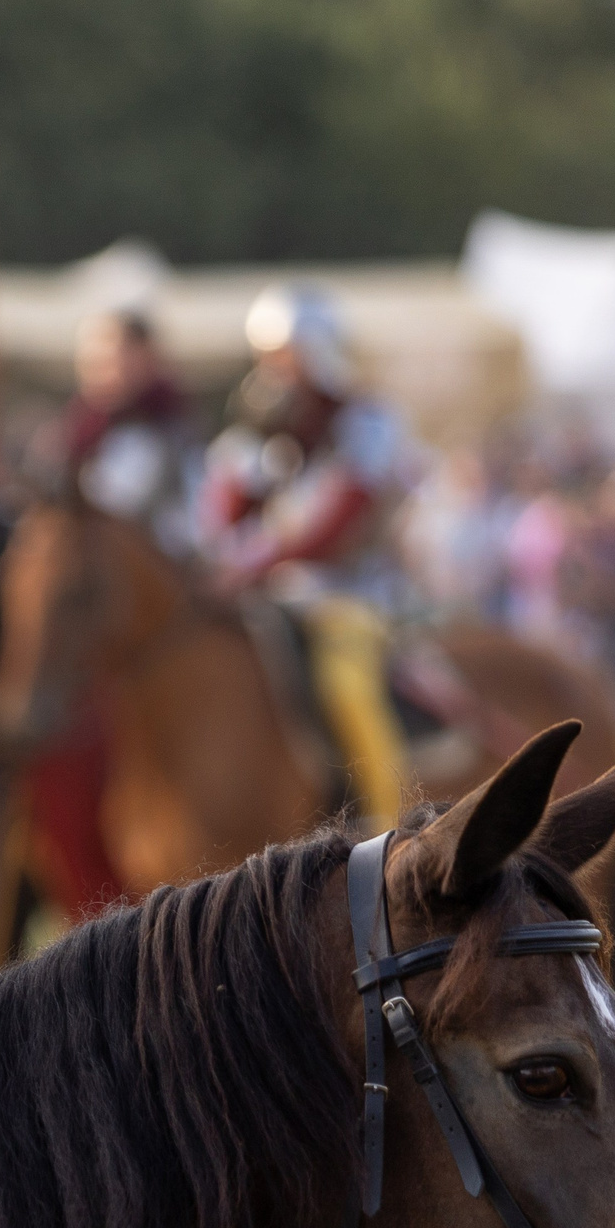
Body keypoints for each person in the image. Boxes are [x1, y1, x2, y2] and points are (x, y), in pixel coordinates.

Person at [198, 284, 419, 828]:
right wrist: (249, 451)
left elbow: (337, 526)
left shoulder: (366, 424)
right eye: (268, 357)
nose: (275, 370)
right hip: (269, 600)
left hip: (351, 597)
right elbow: (226, 517)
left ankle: (391, 824)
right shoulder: (271, 432)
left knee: (348, 690)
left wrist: (250, 567)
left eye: (285, 355)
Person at [40, 310, 191, 550]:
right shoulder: (77, 429)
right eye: (92, 360)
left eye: (110, 360)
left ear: (145, 359)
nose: (99, 371)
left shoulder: (165, 425)